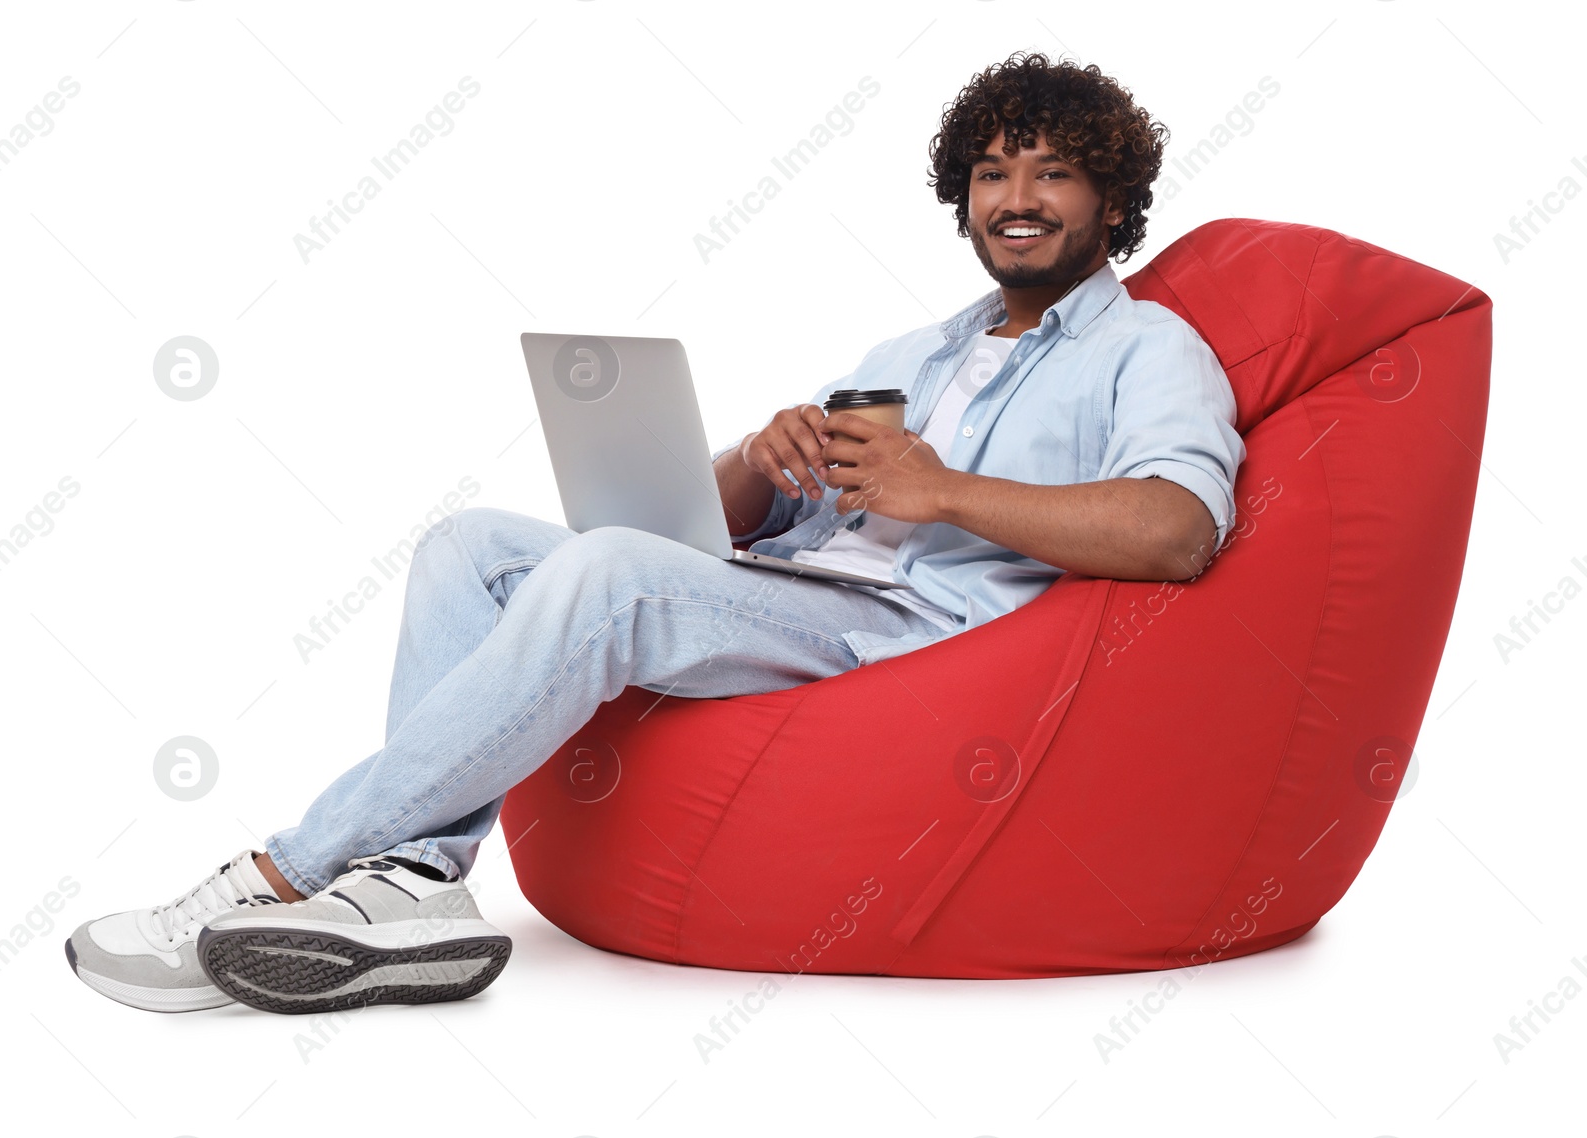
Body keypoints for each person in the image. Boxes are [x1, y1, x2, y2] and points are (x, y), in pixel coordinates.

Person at [64, 50, 1244, 1015]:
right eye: (991, 173)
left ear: (1112, 199)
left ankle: (282, 871)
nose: (1017, 198)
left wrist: (941, 492)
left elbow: (1178, 528)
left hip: (915, 638)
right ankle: (413, 879)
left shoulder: (1145, 350)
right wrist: (752, 457)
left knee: (610, 574)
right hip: (798, 589)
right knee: (468, 543)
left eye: (1052, 173)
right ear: (963, 197)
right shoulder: (912, 353)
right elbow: (751, 519)